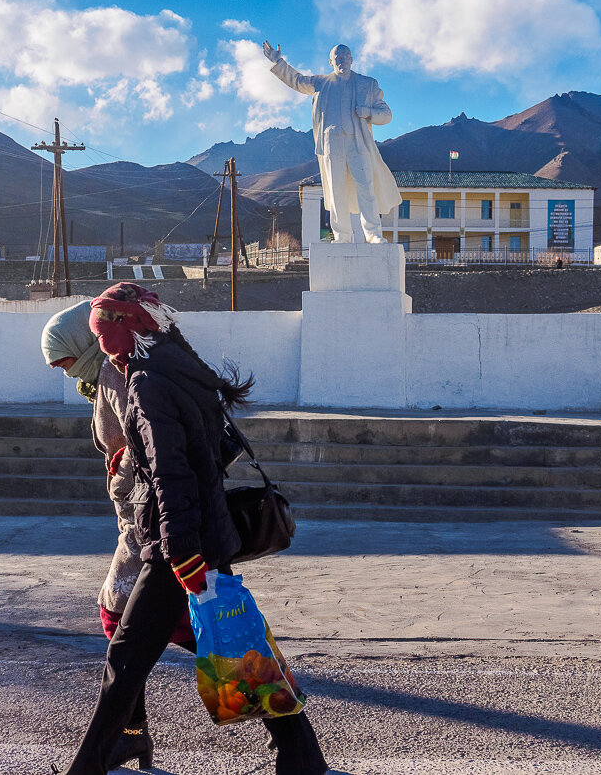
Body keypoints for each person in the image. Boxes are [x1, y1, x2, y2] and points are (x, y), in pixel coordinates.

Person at [57, 282, 328, 775]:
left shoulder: (146, 382)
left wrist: (180, 551)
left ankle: (89, 767)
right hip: (202, 533)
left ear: (121, 332)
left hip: (178, 545)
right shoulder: (180, 365)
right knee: (235, 649)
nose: (98, 345)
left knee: (128, 660)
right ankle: (302, 757)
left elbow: (170, 472)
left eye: (101, 335)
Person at [41, 301, 193, 771]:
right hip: (148, 520)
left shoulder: (121, 374)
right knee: (160, 628)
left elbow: (150, 444)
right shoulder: (112, 373)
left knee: (127, 624)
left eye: (63, 359)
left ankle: (120, 741)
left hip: (152, 523)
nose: (63, 371)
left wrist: (125, 468)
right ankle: (129, 736)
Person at [263, 40, 401, 244]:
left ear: (352, 59)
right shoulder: (320, 83)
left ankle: (373, 234)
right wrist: (278, 62)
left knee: (366, 188)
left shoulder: (368, 84)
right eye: (337, 57)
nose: (341, 60)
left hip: (357, 142)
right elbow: (297, 80)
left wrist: (369, 113)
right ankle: (342, 235)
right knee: (336, 191)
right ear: (330, 61)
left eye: (345, 56)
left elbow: (386, 114)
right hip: (331, 143)